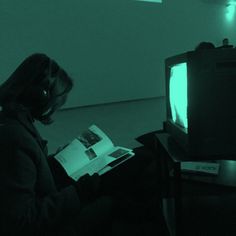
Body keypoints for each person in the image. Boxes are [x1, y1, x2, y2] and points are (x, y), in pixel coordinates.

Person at [0, 53, 168, 236]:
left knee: (138, 157)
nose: (55, 109)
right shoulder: (15, 139)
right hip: (52, 227)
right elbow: (22, 222)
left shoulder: (13, 124)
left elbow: (27, 175)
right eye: (56, 101)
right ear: (40, 96)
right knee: (118, 197)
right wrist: (80, 192)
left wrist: (53, 162)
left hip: (57, 199)